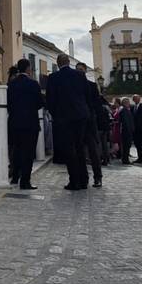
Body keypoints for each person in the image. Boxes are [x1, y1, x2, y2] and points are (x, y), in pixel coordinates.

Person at [45, 53, 103, 190]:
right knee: (79, 148)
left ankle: (74, 181)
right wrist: (86, 114)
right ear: (69, 62)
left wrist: (56, 115)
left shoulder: (53, 78)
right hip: (81, 116)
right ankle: (84, 180)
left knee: (69, 149)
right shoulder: (79, 75)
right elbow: (87, 97)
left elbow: (50, 100)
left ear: (58, 63)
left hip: (64, 118)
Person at [7, 58, 44, 189]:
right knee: (28, 153)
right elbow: (40, 103)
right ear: (28, 68)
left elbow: (8, 104)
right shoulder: (33, 84)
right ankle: (25, 181)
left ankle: (15, 177)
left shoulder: (11, 84)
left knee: (16, 150)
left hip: (15, 122)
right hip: (30, 123)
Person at [119, 95, 136, 165]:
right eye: (125, 101)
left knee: (127, 145)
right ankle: (125, 160)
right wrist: (129, 129)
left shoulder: (126, 109)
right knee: (126, 145)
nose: (127, 103)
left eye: (128, 101)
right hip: (126, 131)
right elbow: (125, 122)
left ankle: (125, 159)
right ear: (123, 103)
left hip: (128, 130)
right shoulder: (123, 110)